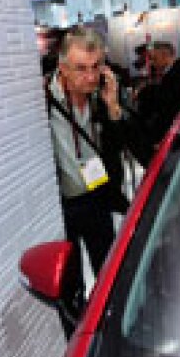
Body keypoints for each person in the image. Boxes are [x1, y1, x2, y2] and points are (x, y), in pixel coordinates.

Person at [45, 26, 129, 339]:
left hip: (96, 198)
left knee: (110, 277)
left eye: (96, 67)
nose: (90, 77)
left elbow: (125, 150)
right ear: (62, 68)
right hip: (63, 207)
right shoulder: (45, 100)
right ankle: (77, 346)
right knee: (71, 287)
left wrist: (113, 108)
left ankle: (114, 337)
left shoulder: (101, 98)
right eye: (81, 69)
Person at [127, 40, 180, 167]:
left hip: (177, 135)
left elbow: (168, 109)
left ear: (165, 55)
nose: (152, 63)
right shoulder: (174, 73)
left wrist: (161, 138)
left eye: (154, 58)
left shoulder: (178, 76)